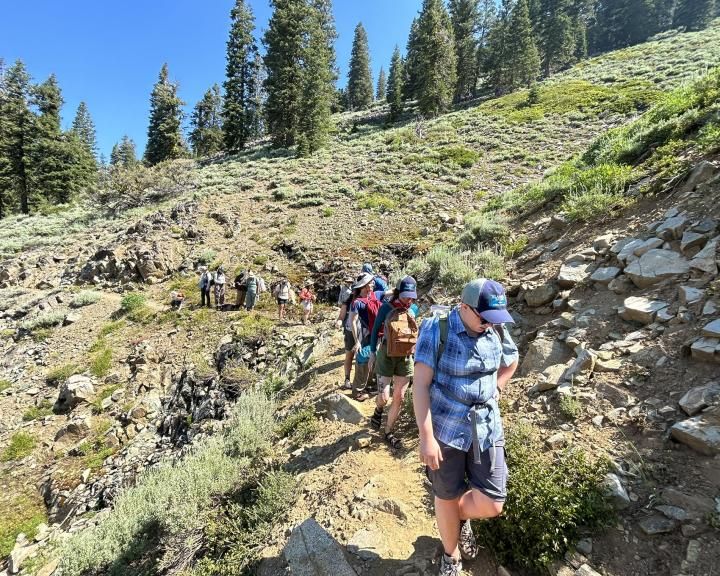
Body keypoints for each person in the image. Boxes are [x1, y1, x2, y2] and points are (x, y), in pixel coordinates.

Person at [412, 279, 519, 576]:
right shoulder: (437, 329)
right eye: (483, 317)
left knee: (493, 502)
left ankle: (457, 518)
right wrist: (427, 437)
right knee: (446, 494)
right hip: (446, 428)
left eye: (494, 319)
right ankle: (451, 555)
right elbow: (420, 385)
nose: (488, 324)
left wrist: (497, 386)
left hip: (486, 427)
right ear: (464, 307)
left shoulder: (495, 327)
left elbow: (511, 361)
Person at [368, 276, 419, 448]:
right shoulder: (386, 308)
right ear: (398, 292)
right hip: (386, 355)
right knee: (383, 397)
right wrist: (372, 353)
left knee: (400, 397)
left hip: (405, 358)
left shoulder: (413, 310)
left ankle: (388, 431)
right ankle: (378, 409)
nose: (409, 299)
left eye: (411, 296)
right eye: (406, 295)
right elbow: (375, 329)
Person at [348, 272, 385, 400]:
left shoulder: (376, 295)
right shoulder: (357, 302)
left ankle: (370, 386)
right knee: (364, 357)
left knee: (370, 357)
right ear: (364, 285)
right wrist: (357, 341)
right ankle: (361, 388)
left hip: (377, 334)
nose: (373, 284)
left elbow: (392, 291)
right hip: (367, 335)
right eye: (370, 282)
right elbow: (352, 321)